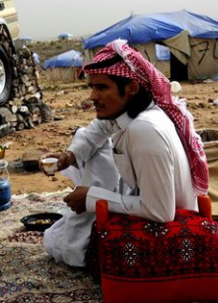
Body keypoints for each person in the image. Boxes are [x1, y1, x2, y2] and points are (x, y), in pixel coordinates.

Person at [40, 39, 209, 267]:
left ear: (131, 88)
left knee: (67, 243)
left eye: (101, 87)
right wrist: (69, 156)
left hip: (168, 230)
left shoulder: (144, 130)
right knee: (97, 150)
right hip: (150, 204)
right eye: (91, 87)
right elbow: (97, 130)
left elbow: (160, 212)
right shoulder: (129, 115)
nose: (92, 97)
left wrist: (91, 198)